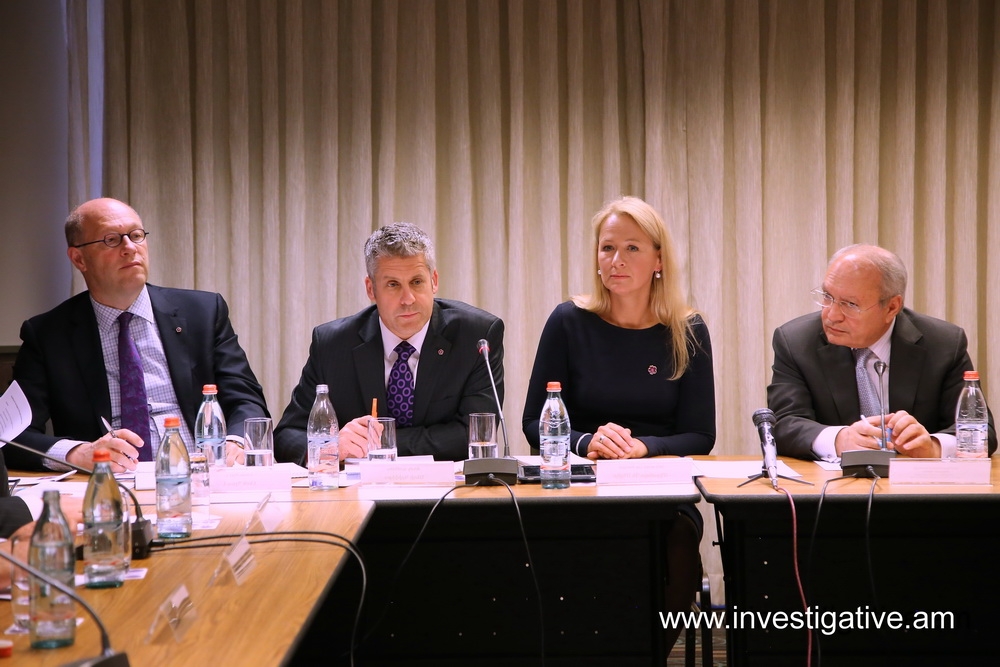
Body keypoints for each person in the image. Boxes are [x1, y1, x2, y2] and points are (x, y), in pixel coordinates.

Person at [521, 195, 715, 651]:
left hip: (659, 488)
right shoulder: (568, 321)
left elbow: (701, 435)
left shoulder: (687, 330)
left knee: (679, 543)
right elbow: (533, 422)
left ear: (659, 260)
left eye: (632, 248)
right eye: (607, 247)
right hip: (580, 483)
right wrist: (587, 440)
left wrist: (643, 446)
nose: (616, 260)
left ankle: (651, 654)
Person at [8, 198, 269, 473]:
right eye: (111, 240)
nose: (130, 248)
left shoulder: (202, 312)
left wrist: (235, 442)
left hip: (203, 474)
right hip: (111, 482)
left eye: (136, 235)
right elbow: (12, 435)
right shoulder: (49, 335)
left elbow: (246, 399)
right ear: (79, 258)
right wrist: (78, 453)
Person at [274, 222, 504, 464]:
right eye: (393, 285)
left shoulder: (476, 337)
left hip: (447, 486)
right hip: (359, 487)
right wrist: (328, 448)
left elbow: (475, 434)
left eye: (417, 282)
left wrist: (379, 443)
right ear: (371, 289)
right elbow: (287, 435)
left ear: (434, 281)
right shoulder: (333, 345)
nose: (408, 299)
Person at [768, 243, 997, 460]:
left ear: (891, 307)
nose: (832, 315)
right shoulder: (796, 342)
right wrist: (839, 440)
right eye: (828, 297)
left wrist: (933, 446)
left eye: (850, 304)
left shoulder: (943, 344)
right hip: (830, 485)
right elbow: (784, 423)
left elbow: (981, 430)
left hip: (916, 484)